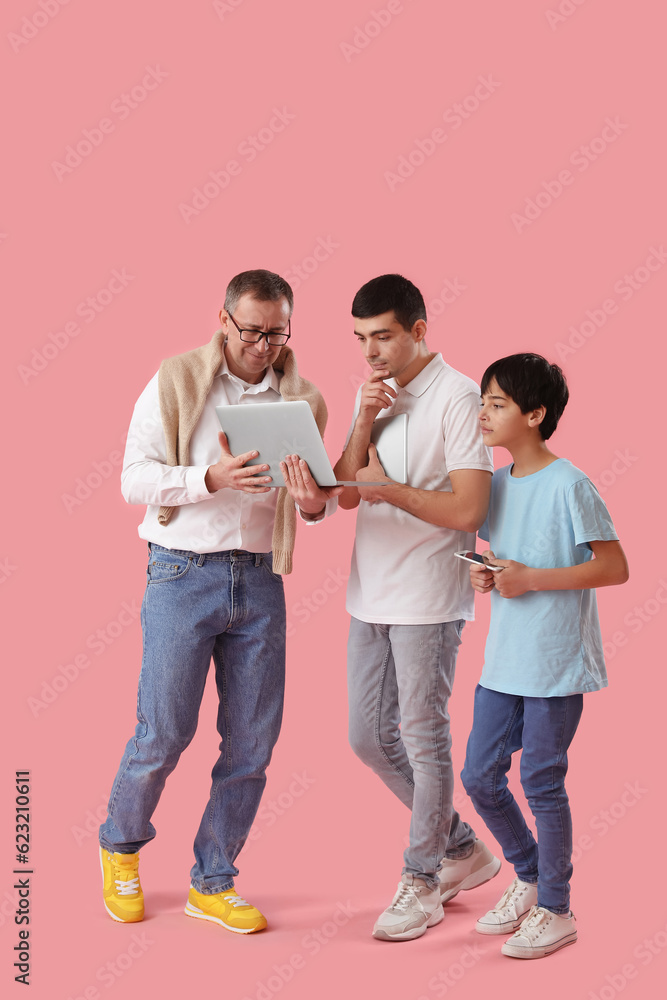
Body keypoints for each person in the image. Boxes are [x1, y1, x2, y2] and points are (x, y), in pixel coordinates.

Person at [99, 269, 340, 934]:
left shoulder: (304, 399)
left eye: (278, 332)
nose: (265, 345)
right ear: (225, 320)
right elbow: (132, 477)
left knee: (251, 745)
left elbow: (316, 501)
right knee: (163, 733)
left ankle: (213, 880)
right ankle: (119, 846)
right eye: (253, 331)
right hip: (182, 574)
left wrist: (309, 500)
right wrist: (210, 477)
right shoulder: (176, 379)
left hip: (261, 579)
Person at [333, 273, 500, 942]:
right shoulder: (371, 393)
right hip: (368, 591)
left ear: (418, 331)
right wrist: (365, 417)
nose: (369, 352)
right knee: (366, 737)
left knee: (424, 740)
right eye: (359, 339)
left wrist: (388, 490)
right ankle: (463, 848)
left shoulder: (458, 397)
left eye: (382, 337)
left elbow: (468, 508)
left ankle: (423, 879)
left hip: (429, 598)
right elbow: (347, 494)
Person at [461, 353, 628, 959]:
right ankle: (529, 875)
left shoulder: (571, 484)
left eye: (498, 404)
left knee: (540, 780)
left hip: (555, 663)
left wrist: (531, 579)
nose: (484, 413)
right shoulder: (496, 486)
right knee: (479, 775)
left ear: (536, 414)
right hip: (504, 660)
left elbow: (614, 567)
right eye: (483, 401)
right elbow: (510, 561)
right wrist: (492, 576)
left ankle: (557, 909)